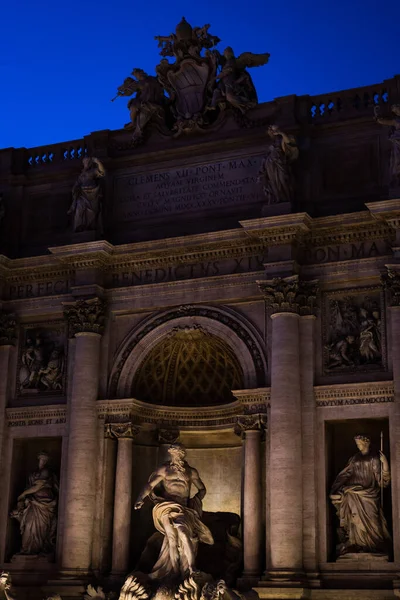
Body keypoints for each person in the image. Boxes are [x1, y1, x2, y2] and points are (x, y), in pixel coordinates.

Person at [134, 443, 214, 580]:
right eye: (174, 453)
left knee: (183, 532)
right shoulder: (164, 470)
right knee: (171, 538)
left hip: (183, 508)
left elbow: (202, 489)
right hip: (166, 506)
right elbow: (150, 485)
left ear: (183, 454)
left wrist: (195, 501)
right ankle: (175, 571)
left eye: (178, 453)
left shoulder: (191, 472)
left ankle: (191, 567)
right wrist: (140, 498)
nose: (176, 456)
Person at [330, 435, 391, 556]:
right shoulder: (354, 458)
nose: (358, 446)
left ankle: (375, 546)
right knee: (354, 519)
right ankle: (356, 543)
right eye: (357, 444)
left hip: (370, 493)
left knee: (373, 520)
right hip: (354, 492)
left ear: (366, 444)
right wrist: (336, 487)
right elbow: (346, 473)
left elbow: (381, 480)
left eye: (359, 444)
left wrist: (385, 464)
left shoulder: (374, 458)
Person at [10, 452, 58, 556]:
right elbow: (30, 487)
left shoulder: (46, 471)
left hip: (44, 502)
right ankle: (27, 549)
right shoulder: (33, 473)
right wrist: (24, 498)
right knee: (28, 524)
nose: (43, 461)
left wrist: (22, 494)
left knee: (41, 527)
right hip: (33, 501)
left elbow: (37, 487)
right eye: (41, 459)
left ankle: (38, 549)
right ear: (38, 459)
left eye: (45, 459)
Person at [258, 125, 299, 205]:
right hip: (270, 164)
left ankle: (286, 198)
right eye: (270, 130)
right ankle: (278, 199)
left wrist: (282, 133)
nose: (272, 132)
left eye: (274, 130)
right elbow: (266, 157)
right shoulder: (271, 144)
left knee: (283, 179)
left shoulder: (285, 138)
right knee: (273, 182)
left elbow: (290, 144)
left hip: (281, 163)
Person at [67, 157, 106, 233]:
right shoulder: (81, 174)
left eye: (87, 162)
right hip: (82, 194)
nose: (86, 163)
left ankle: (90, 226)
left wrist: (98, 162)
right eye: (85, 162)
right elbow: (77, 184)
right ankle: (79, 226)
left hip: (93, 193)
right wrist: (75, 189)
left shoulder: (93, 171)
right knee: (79, 208)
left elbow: (102, 172)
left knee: (92, 211)